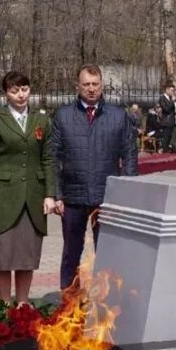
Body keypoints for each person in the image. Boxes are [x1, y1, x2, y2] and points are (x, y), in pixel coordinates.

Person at [50, 64, 138, 290]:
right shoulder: (63, 116)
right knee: (71, 253)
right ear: (77, 86)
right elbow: (52, 158)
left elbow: (129, 156)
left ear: (102, 85)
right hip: (72, 197)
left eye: (95, 84)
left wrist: (126, 194)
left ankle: (109, 301)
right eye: (86, 84)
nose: (91, 89)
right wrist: (57, 194)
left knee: (108, 255)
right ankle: (70, 302)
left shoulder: (118, 117)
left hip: (107, 198)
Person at [0, 71, 55, 303]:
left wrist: (50, 194)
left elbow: (49, 159)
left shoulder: (41, 120)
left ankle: (22, 303)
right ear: (6, 94)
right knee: (4, 256)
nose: (21, 95)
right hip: (3, 198)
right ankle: (4, 304)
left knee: (26, 255)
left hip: (33, 198)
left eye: (24, 89)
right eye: (14, 91)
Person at [158, 82, 176, 152]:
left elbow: (173, 110)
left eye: (174, 90)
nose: (173, 92)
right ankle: (164, 152)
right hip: (166, 121)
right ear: (167, 90)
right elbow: (166, 109)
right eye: (172, 90)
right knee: (166, 138)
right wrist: (172, 101)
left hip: (171, 121)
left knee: (170, 138)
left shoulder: (170, 99)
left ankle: (167, 150)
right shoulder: (162, 98)